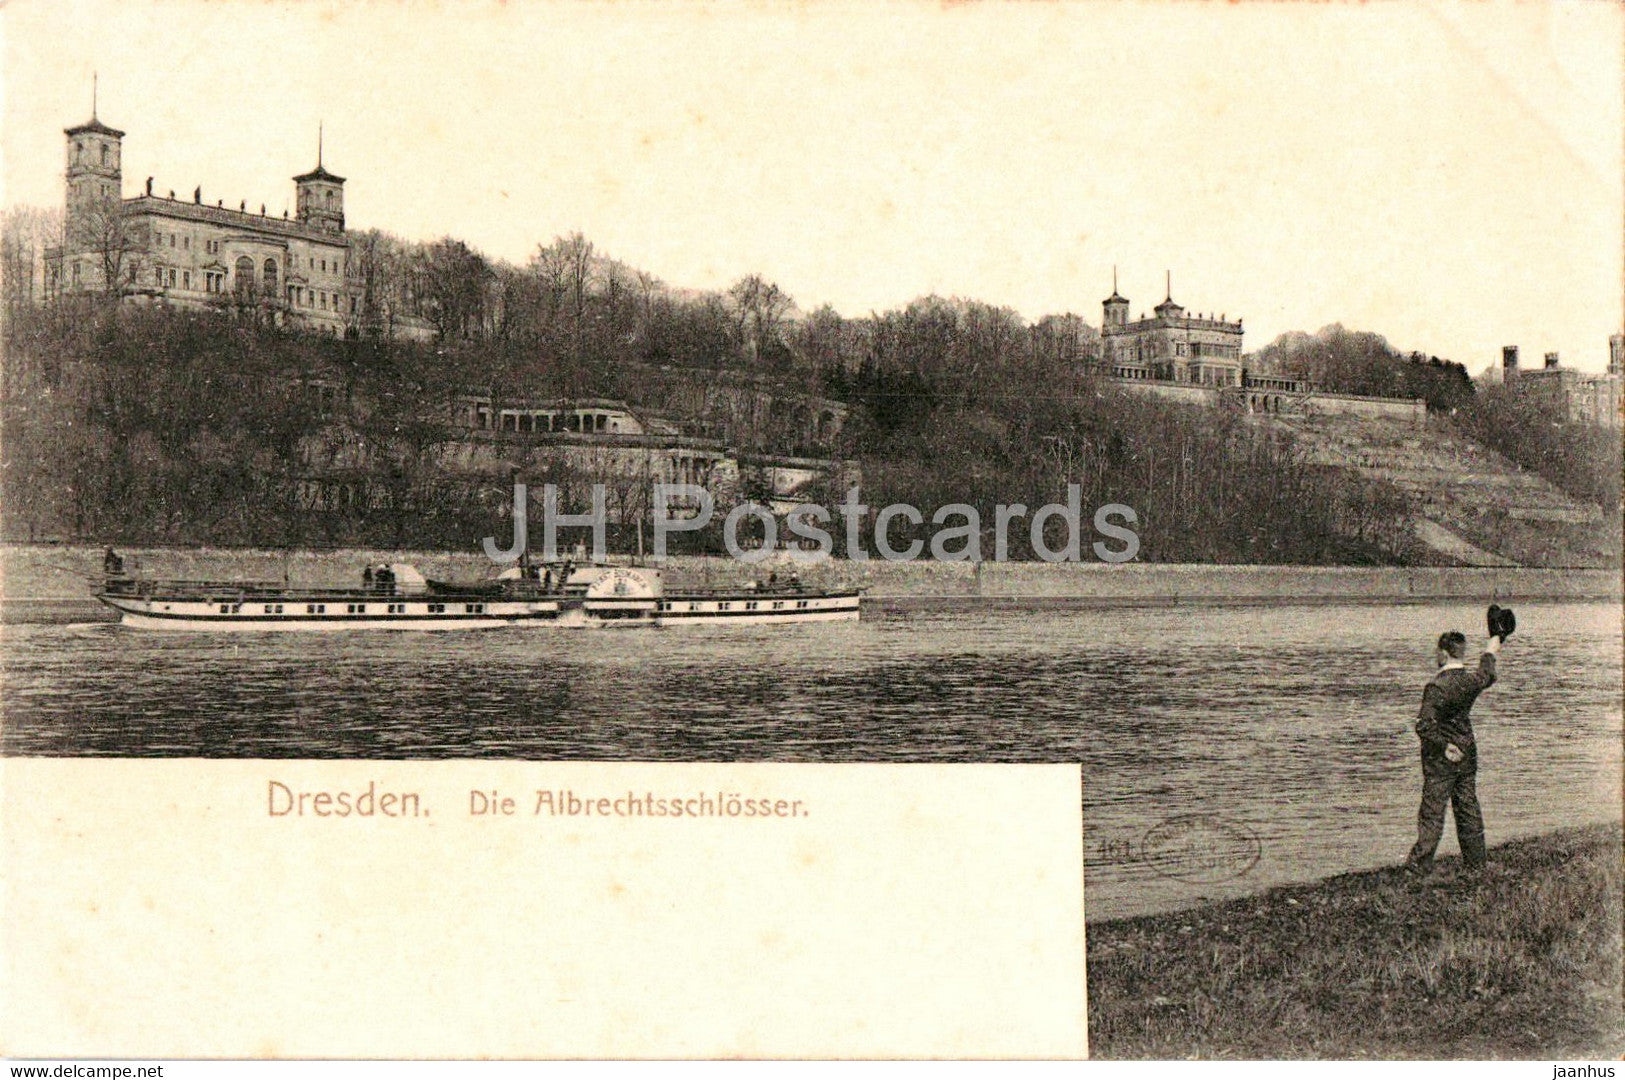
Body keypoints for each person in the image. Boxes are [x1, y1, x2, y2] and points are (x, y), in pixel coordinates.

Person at [1403, 609, 1511, 877]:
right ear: (1461, 652)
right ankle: (1476, 864)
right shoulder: (1471, 680)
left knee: (1432, 813)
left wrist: (1443, 746)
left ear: (1442, 653)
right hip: (1467, 753)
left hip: (1441, 760)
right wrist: (1496, 639)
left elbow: (1424, 726)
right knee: (1468, 808)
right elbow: (1487, 669)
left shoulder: (1437, 687)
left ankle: (1419, 867)